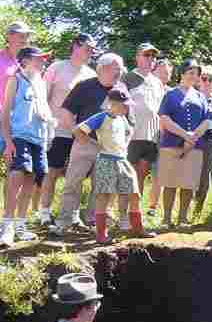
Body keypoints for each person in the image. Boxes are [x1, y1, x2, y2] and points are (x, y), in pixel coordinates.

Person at [49, 52, 126, 237]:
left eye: (121, 69)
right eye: (117, 68)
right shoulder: (85, 86)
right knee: (73, 182)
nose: (120, 72)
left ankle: (94, 222)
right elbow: (66, 112)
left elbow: (128, 117)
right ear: (103, 68)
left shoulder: (121, 89)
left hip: (109, 147)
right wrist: (76, 132)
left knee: (102, 186)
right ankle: (65, 221)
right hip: (85, 142)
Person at [75, 88, 155, 243]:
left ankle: (137, 228)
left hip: (122, 160)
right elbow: (78, 131)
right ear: (112, 103)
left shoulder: (123, 119)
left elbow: (124, 137)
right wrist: (94, 145)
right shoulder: (101, 117)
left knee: (134, 193)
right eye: (123, 104)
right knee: (103, 197)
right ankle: (101, 234)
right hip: (106, 159)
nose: (126, 108)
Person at [38, 33, 97, 227]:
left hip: (80, 134)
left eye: (92, 49)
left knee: (77, 175)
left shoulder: (91, 74)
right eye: (88, 48)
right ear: (75, 46)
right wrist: (47, 123)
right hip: (57, 131)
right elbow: (42, 97)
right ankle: (44, 213)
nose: (90, 52)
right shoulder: (57, 67)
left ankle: (72, 215)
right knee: (52, 171)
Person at [1, 47, 54, 247]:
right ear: (24, 61)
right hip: (19, 137)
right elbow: (5, 113)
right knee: (16, 178)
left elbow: (44, 111)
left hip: (38, 139)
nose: (43, 62)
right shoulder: (15, 80)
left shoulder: (41, 83)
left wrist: (50, 125)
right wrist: (8, 141)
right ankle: (7, 226)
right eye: (39, 59)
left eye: (44, 59)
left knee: (31, 180)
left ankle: (21, 225)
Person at [157, 58, 212, 228]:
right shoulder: (170, 94)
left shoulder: (201, 97)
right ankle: (166, 218)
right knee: (170, 181)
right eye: (190, 72)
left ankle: (182, 218)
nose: (193, 76)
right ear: (182, 73)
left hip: (195, 146)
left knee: (188, 183)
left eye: (196, 73)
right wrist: (184, 135)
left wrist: (193, 137)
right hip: (172, 143)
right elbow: (164, 118)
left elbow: (207, 120)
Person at [0, 22, 34, 214]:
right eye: (21, 35)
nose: (25, 39)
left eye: (27, 35)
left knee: (14, 170)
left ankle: (7, 218)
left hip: (18, 125)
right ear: (9, 35)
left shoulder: (26, 63)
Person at [123, 43, 164, 198]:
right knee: (127, 175)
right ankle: (119, 212)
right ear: (137, 57)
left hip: (152, 136)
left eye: (153, 56)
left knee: (141, 176)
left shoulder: (157, 82)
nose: (150, 59)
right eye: (146, 55)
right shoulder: (128, 78)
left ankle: (135, 212)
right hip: (132, 135)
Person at [194, 65, 212, 219]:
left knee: (206, 176)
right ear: (199, 81)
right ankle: (184, 210)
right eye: (204, 78)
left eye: (210, 80)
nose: (207, 82)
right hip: (194, 139)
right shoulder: (193, 97)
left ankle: (197, 211)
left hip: (211, 140)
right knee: (191, 175)